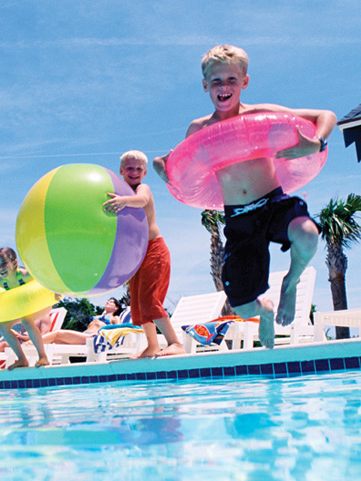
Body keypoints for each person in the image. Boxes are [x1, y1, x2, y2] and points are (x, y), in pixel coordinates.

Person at [150, 45, 336, 349]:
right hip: (239, 219)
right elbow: (178, 168)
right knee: (241, 306)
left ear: (244, 82)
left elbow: (325, 115)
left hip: (273, 202)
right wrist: (162, 168)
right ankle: (264, 310)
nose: (224, 87)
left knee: (307, 234)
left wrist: (317, 143)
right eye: (216, 81)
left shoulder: (262, 113)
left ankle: (290, 281)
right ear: (205, 86)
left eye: (231, 80)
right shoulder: (199, 129)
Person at [103, 150, 184, 358]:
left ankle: (175, 343)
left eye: (139, 169)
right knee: (138, 303)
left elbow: (142, 200)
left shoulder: (141, 189)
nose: (134, 172)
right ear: (121, 170)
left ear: (145, 172)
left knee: (150, 298)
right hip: (137, 255)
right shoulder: (119, 193)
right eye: (129, 168)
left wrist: (123, 202)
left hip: (155, 249)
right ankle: (152, 346)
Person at [0, 247, 53, 369]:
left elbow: (46, 277)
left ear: (14, 263)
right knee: (3, 325)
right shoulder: (1, 281)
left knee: (26, 320)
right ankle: (22, 359)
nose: (1, 268)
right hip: (23, 309)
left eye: (4, 263)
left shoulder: (25, 276)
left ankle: (43, 356)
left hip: (42, 305)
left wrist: (55, 292)